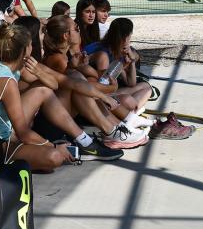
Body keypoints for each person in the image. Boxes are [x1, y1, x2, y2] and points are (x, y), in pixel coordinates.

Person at [0, 23, 77, 172]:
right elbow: (23, 133)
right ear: (24, 50)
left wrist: (38, 72)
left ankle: (81, 138)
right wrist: (53, 146)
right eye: (30, 45)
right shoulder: (6, 80)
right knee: (54, 157)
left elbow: (53, 86)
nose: (33, 48)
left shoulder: (10, 65)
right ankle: (11, 160)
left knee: (42, 90)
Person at [13, 16, 123, 161]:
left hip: (44, 121)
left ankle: (105, 133)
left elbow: (64, 82)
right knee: (63, 83)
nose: (44, 35)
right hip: (34, 128)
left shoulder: (32, 63)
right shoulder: (31, 65)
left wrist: (104, 94)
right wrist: (107, 92)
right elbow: (65, 83)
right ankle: (108, 132)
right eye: (41, 32)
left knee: (73, 78)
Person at [42, 15, 152, 150]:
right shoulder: (58, 59)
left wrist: (80, 66)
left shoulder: (66, 57)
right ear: (66, 35)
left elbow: (89, 78)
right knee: (83, 88)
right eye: (76, 29)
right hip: (59, 119)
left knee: (143, 89)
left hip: (72, 110)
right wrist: (108, 90)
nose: (79, 31)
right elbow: (77, 83)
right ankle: (113, 130)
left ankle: (118, 128)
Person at [90, 18, 154, 117]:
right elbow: (104, 86)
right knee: (130, 100)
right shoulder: (103, 53)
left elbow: (131, 83)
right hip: (98, 96)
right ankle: (132, 112)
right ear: (124, 38)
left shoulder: (117, 50)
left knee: (146, 87)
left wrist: (132, 61)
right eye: (129, 36)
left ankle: (131, 112)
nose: (130, 39)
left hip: (107, 92)